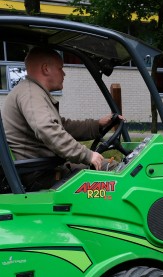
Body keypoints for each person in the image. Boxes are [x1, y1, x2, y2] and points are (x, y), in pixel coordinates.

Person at [2, 46, 119, 191]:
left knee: (109, 176)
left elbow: (62, 126)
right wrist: (87, 155)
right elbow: (47, 128)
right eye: (60, 68)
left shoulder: (32, 91)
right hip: (42, 176)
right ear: (45, 69)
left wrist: (97, 125)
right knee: (114, 177)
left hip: (43, 170)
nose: (64, 73)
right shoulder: (31, 93)